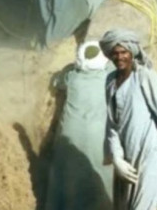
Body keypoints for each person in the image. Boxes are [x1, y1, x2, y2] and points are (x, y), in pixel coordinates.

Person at [100, 29, 157, 210]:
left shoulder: (145, 76)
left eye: (124, 52)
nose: (119, 57)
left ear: (132, 53)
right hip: (126, 157)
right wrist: (117, 158)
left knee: (149, 204)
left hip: (150, 153)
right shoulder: (110, 82)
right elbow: (112, 124)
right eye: (115, 53)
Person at [45, 41, 113, 210]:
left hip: (68, 136)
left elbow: (56, 82)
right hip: (98, 139)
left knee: (63, 179)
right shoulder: (109, 76)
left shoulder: (72, 76)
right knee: (102, 181)